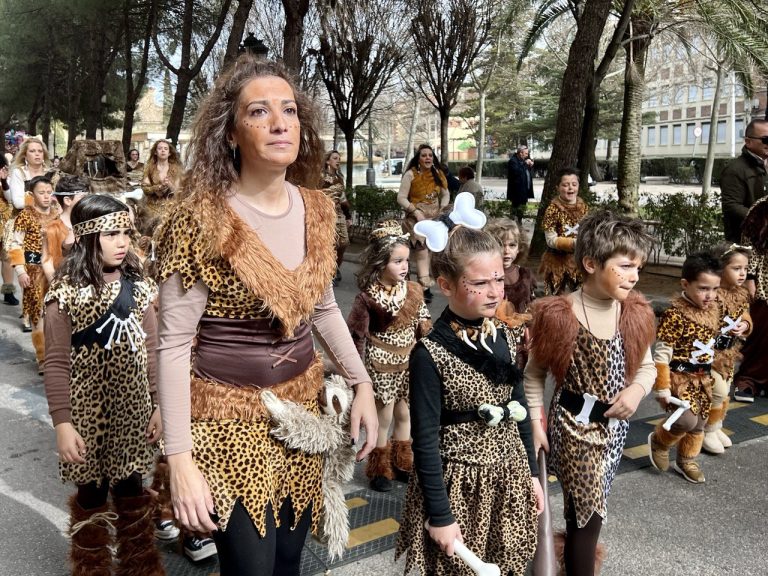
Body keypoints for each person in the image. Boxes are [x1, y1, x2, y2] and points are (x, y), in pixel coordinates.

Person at [153, 55, 377, 576]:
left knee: (287, 562)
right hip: (226, 422)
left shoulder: (319, 208)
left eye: (290, 110)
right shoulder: (197, 220)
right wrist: (180, 460)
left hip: (302, 415)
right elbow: (173, 345)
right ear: (230, 133)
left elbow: (323, 307)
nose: (280, 123)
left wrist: (361, 382)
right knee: (251, 568)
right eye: (259, 111)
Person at [396, 200, 543, 576]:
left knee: (508, 563)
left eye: (498, 279)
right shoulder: (429, 354)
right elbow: (425, 440)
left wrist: (530, 473)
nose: (495, 292)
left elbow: (519, 406)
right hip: (458, 486)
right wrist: (441, 516)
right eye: (479, 283)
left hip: (508, 476)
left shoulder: (505, 334)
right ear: (446, 285)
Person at [525, 210, 656, 576]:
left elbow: (646, 366)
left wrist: (636, 391)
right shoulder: (560, 314)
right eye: (625, 266)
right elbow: (533, 375)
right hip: (573, 429)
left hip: (614, 431)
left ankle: (568, 561)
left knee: (582, 513)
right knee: (589, 514)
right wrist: (535, 422)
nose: (634, 276)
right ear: (591, 263)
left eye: (638, 268)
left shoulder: (633, 312)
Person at [42, 194, 164, 576]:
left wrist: (159, 403)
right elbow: (56, 362)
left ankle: (140, 565)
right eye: (111, 234)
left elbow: (153, 351)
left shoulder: (140, 288)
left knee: (132, 491)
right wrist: (63, 423)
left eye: (125, 232)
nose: (122, 242)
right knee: (91, 495)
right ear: (86, 236)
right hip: (84, 417)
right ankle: (91, 567)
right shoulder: (64, 294)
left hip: (133, 412)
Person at [347, 221, 431, 492]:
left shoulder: (413, 290)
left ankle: (402, 461)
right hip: (380, 365)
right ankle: (379, 467)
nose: (405, 266)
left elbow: (423, 322)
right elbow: (356, 336)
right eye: (397, 261)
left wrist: (429, 344)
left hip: (408, 363)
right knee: (383, 417)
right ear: (380, 262)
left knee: (405, 413)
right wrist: (356, 374)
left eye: (406, 260)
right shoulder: (368, 297)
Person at [648, 252, 722, 484]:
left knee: (700, 422)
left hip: (704, 378)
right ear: (685, 284)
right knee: (685, 421)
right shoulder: (675, 314)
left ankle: (687, 459)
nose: (710, 295)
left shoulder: (713, 309)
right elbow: (662, 353)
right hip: (679, 377)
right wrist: (662, 387)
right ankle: (660, 441)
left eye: (715, 289)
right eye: (703, 288)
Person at [703, 244, 752, 452]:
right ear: (721, 268)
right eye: (736, 268)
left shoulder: (741, 294)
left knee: (725, 392)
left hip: (729, 354)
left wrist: (745, 324)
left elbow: (745, 314)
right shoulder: (711, 293)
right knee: (718, 392)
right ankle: (707, 430)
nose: (742, 273)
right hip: (709, 354)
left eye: (745, 268)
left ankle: (716, 425)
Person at [9, 176, 57, 372]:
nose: (46, 196)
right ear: (32, 194)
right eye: (41, 192)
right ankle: (42, 357)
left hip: (56, 270)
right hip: (33, 270)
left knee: (56, 312)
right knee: (38, 313)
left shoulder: (57, 214)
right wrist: (20, 271)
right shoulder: (25, 216)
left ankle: (57, 355)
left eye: (49, 192)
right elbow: (15, 244)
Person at [397, 144, 449, 304]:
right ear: (418, 159)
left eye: (430, 155)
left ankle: (421, 285)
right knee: (422, 251)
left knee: (432, 252)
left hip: (434, 219)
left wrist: (442, 209)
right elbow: (401, 198)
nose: (428, 158)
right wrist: (416, 212)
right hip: (416, 220)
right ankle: (424, 288)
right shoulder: (410, 175)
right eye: (424, 155)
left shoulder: (438, 174)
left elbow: (446, 194)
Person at [732, 196, 768, 401]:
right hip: (765, 283)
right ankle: (748, 380)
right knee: (760, 336)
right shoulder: (761, 208)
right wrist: (750, 278)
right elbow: (750, 248)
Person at [539, 167, 589, 295]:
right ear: (558, 187)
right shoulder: (552, 210)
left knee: (581, 297)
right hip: (557, 262)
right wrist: (574, 243)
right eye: (565, 185)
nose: (570, 188)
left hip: (579, 261)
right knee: (559, 298)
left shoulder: (583, 207)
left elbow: (588, 232)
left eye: (574, 184)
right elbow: (551, 239)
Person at [720, 119, 768, 243]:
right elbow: (731, 205)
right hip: (745, 242)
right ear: (748, 141)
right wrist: (762, 220)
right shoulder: (734, 169)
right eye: (765, 140)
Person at [42, 175, 89, 283]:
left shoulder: (90, 223)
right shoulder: (53, 228)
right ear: (67, 200)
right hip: (64, 283)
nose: (88, 201)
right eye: (83, 198)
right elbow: (47, 261)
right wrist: (55, 285)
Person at [486, 217, 536, 313]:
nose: (506, 251)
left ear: (519, 248)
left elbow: (531, 304)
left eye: (512, 245)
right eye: (500, 245)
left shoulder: (525, 275)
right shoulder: (485, 274)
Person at [319, 150, 352, 286]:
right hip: (324, 214)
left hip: (338, 213)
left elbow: (343, 199)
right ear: (328, 161)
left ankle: (335, 267)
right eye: (335, 158)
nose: (338, 161)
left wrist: (348, 216)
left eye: (339, 158)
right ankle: (328, 271)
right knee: (329, 243)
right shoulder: (320, 177)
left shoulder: (339, 178)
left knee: (343, 243)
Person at [141, 139, 182, 216]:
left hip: (171, 206)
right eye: (160, 148)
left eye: (166, 149)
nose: (163, 150)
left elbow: (179, 191)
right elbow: (145, 188)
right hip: (152, 206)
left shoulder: (176, 169)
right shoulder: (149, 168)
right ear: (155, 152)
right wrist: (159, 187)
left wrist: (169, 185)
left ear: (169, 153)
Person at [0, 154, 19, 305]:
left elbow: (11, 198)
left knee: (7, 258)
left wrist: (4, 181)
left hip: (5, 224)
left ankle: (8, 292)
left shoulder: (7, 177)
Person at [506, 145, 534, 223]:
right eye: (526, 153)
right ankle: (512, 224)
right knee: (515, 209)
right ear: (521, 153)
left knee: (522, 209)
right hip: (517, 191)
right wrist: (525, 164)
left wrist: (530, 165)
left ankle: (519, 223)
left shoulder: (523, 160)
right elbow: (517, 172)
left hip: (524, 189)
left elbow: (527, 172)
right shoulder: (513, 161)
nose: (527, 155)